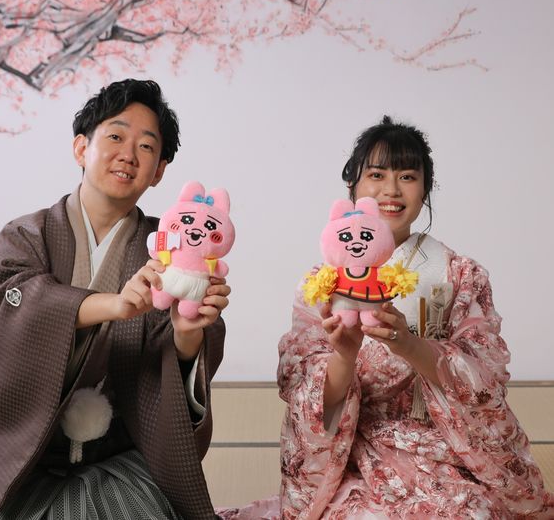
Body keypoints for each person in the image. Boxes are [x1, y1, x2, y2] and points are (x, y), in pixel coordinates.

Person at [222, 116, 553, 519]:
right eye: (376, 175)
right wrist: (344, 357)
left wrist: (409, 345)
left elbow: (486, 378)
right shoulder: (322, 284)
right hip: (355, 459)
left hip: (451, 456)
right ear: (353, 187)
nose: (391, 190)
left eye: (407, 177)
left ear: (425, 189)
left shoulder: (460, 275)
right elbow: (303, 389)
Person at [0, 79, 230, 520]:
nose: (128, 154)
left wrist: (188, 334)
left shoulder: (172, 251)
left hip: (117, 463)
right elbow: (22, 304)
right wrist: (114, 305)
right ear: (81, 148)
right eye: (115, 136)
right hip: (17, 455)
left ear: (159, 172)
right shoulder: (25, 236)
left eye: (146, 147)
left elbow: (171, 365)